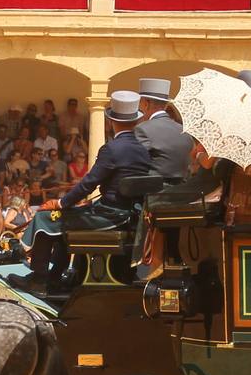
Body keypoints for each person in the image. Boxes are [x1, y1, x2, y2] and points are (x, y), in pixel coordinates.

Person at [8, 91, 154, 296]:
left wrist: (60, 203)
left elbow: (88, 184)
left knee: (44, 217)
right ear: (135, 121)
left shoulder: (111, 149)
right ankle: (56, 276)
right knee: (63, 219)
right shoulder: (142, 150)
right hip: (127, 214)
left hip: (109, 216)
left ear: (111, 121)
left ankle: (39, 279)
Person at [134, 78, 192, 182]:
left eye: (140, 103)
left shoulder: (143, 129)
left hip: (152, 193)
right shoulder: (184, 131)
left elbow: (135, 163)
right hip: (182, 192)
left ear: (146, 104)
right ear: (165, 105)